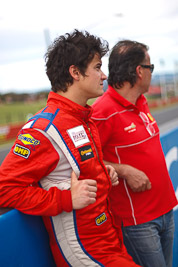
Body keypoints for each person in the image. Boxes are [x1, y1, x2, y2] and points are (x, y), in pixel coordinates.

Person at [0, 31, 139, 267]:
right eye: (97, 67)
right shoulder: (42, 129)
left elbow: (71, 169)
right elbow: (5, 188)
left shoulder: (84, 119)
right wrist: (66, 198)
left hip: (109, 239)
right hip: (85, 250)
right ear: (75, 72)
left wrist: (105, 172)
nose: (104, 75)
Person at [92, 40, 178, 267]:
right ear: (140, 71)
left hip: (166, 210)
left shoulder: (141, 101)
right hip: (138, 223)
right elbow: (87, 159)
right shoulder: (102, 112)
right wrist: (125, 170)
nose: (152, 73)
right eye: (151, 68)